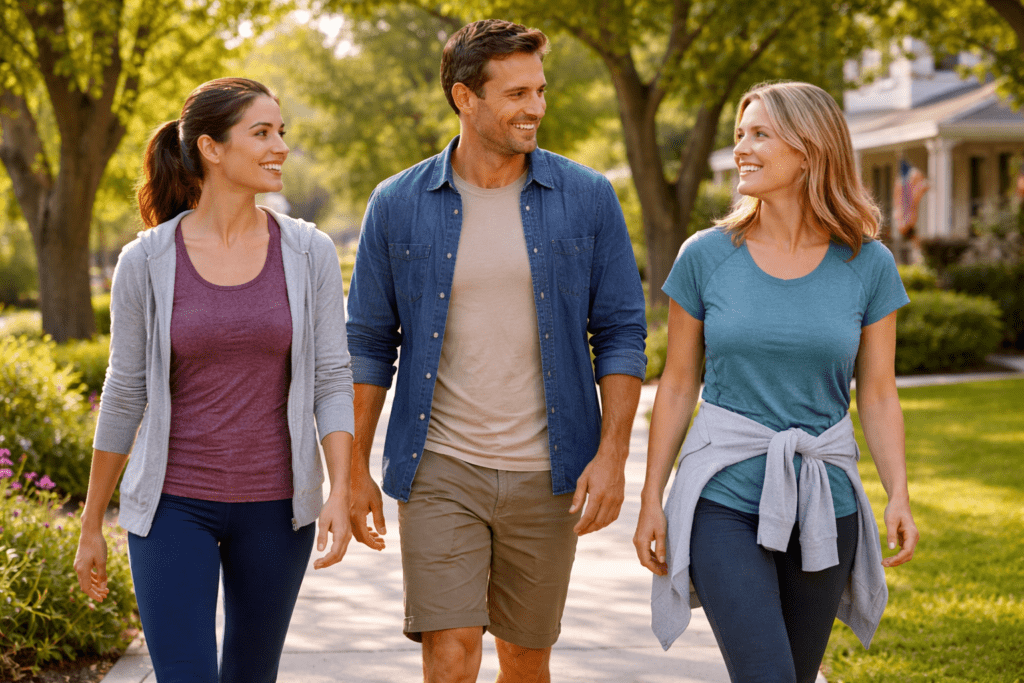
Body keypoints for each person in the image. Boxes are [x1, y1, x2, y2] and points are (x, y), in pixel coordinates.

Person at [345, 19, 647, 683]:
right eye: (515, 94)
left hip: (550, 469)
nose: (535, 107)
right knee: (449, 652)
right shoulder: (396, 204)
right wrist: (353, 465)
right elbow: (368, 343)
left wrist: (613, 454)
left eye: (539, 90)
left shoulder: (587, 198)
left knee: (525, 658)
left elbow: (622, 330)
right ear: (465, 98)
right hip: (440, 465)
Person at [634, 81, 919, 682]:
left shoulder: (868, 264)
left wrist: (897, 492)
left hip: (826, 501)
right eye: (740, 134)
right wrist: (651, 497)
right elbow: (679, 383)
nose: (742, 147)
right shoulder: (705, 256)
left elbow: (877, 391)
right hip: (723, 499)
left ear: (810, 150)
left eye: (760, 134)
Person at [73, 77, 354, 683]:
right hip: (174, 506)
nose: (279, 146)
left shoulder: (308, 252)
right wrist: (91, 523)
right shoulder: (145, 261)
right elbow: (124, 393)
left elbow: (332, 378)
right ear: (211, 148)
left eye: (282, 132)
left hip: (278, 510)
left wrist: (339, 488)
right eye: (262, 133)